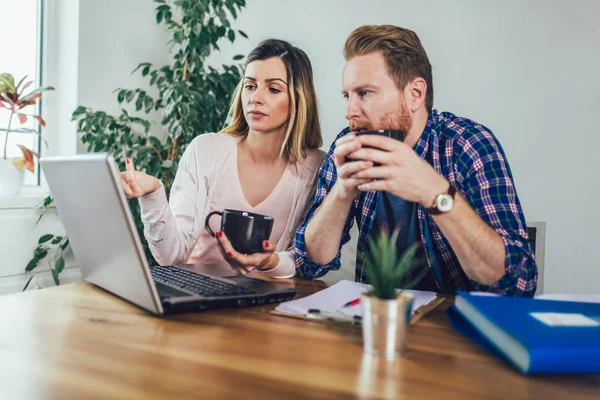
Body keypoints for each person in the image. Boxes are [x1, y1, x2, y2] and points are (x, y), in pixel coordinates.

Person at [294, 25, 537, 296]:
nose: (350, 111)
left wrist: (434, 192)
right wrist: (342, 191)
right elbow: (309, 263)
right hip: (377, 318)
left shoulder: (467, 144)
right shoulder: (350, 144)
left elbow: (518, 284)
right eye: (347, 96)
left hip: (456, 324)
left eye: (364, 93)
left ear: (415, 94)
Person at [120, 39, 326, 278]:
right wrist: (153, 193)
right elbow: (170, 256)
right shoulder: (206, 150)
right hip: (197, 294)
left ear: (299, 100)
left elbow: (303, 261)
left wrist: (270, 262)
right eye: (250, 86)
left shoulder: (316, 168)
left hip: (266, 304)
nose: (256, 98)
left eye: (273, 89)